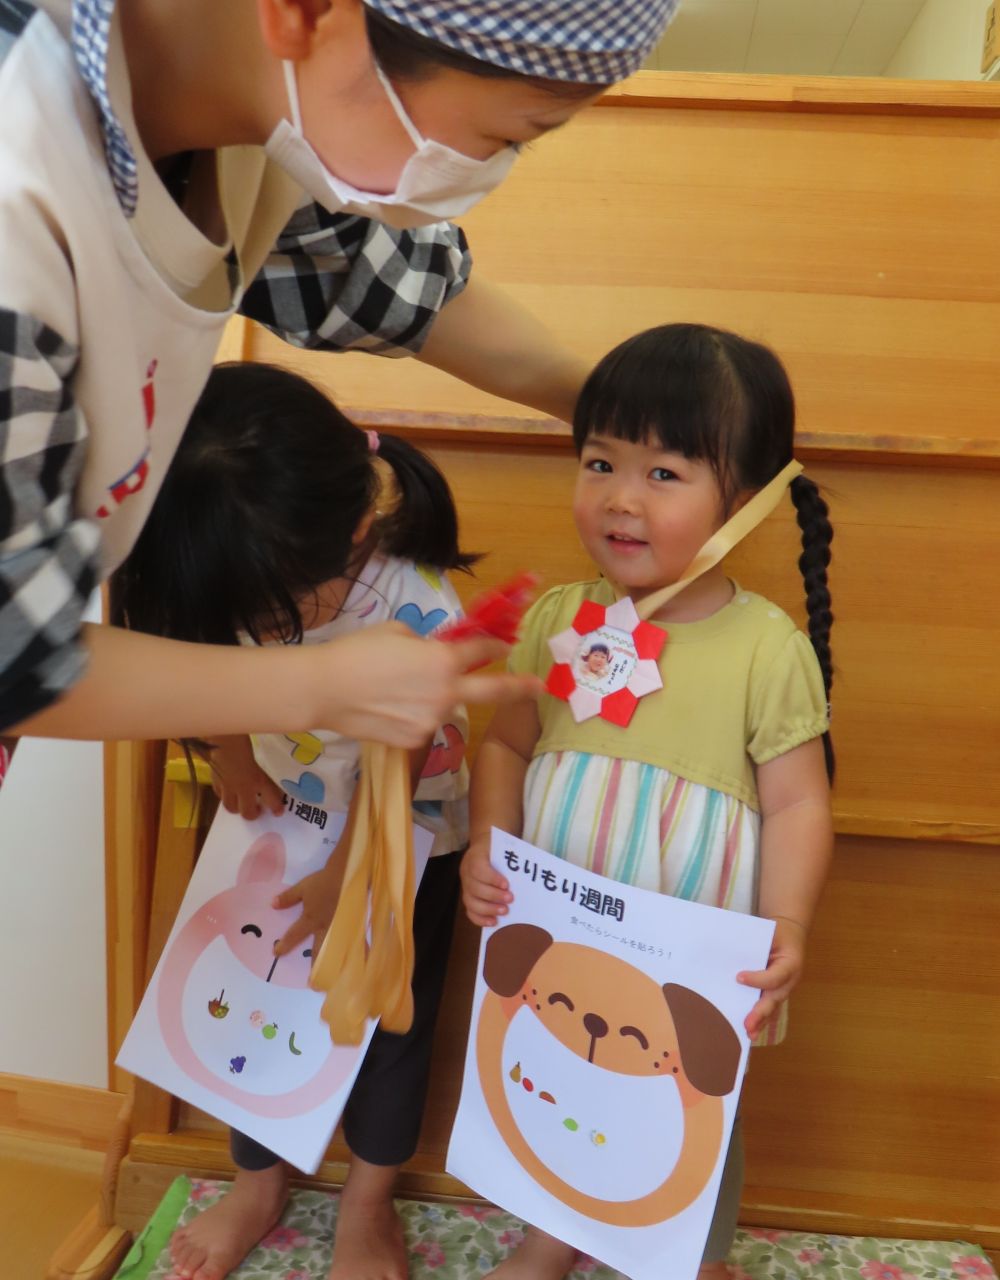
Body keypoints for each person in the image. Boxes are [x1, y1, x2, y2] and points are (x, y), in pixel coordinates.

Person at [0, 0, 679, 749]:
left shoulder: (251, 119)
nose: (489, 172)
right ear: (307, 12)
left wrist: (609, 410)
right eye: (504, 136)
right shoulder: (18, 204)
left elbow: (385, 284)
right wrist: (320, 688)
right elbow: (13, 654)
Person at [460, 323, 835, 1280]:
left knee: (691, 1114)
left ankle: (697, 1273)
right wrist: (488, 848)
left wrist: (790, 924)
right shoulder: (553, 617)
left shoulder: (766, 647)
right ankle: (553, 1232)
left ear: (747, 495)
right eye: (599, 462)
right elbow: (503, 742)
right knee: (556, 1075)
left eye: (663, 471)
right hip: (560, 933)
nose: (620, 497)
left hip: (693, 958)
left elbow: (801, 805)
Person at [114, 358, 478, 1280]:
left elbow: (414, 770)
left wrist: (351, 887)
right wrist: (229, 754)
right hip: (276, 829)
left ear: (352, 533)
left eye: (275, 613)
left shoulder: (418, 613)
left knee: (386, 1026)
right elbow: (192, 659)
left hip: (400, 849)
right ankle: (259, 1179)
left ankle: (367, 1200)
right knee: (253, 1000)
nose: (255, 629)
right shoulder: (224, 560)